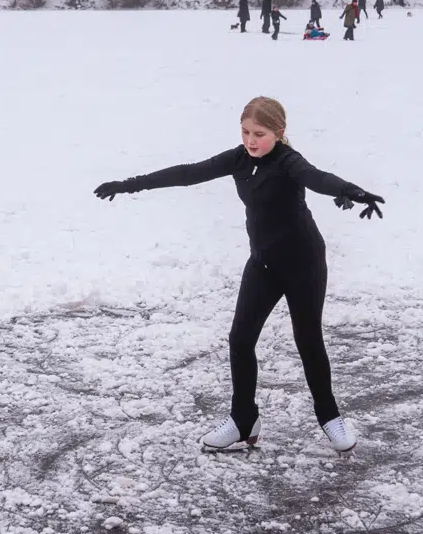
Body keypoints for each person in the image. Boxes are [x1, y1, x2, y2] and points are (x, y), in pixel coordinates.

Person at [93, 97, 386, 452]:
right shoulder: (239, 159)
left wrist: (349, 190)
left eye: (259, 134)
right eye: (245, 132)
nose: (251, 140)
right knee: (240, 340)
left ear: (279, 133)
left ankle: (329, 417)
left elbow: (316, 177)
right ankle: (243, 419)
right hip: (263, 264)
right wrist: (129, 184)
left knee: (308, 340)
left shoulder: (288, 162)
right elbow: (188, 173)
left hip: (304, 264)